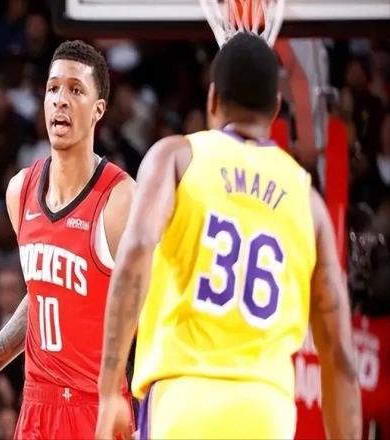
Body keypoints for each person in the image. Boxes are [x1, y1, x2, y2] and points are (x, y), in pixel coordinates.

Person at [95, 33, 361, 440]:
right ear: (275, 108)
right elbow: (339, 353)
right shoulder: (309, 201)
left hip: (185, 397)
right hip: (267, 410)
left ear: (213, 98)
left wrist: (109, 388)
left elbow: (137, 250)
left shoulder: (177, 156)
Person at [0, 40, 135, 439]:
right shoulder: (20, 190)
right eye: (53, 88)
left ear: (98, 110)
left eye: (75, 89)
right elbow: (40, 295)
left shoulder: (120, 199)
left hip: (98, 409)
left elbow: (149, 310)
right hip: (37, 408)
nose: (60, 100)